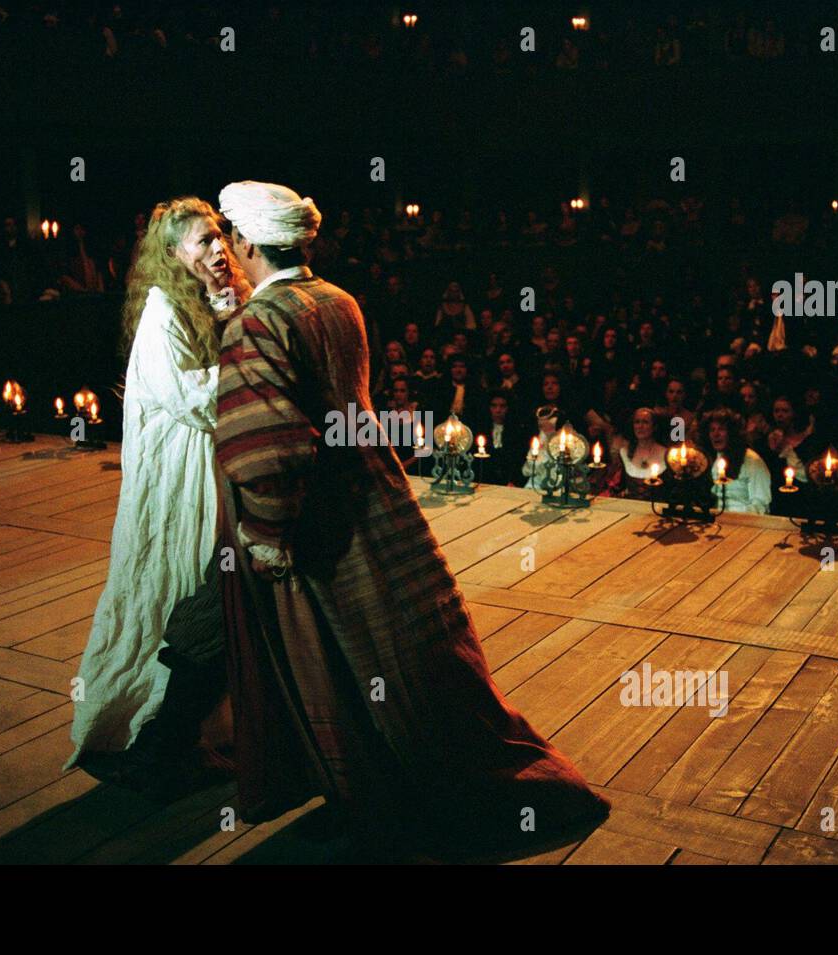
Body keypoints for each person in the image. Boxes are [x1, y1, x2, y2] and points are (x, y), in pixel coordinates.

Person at [214, 180, 609, 860]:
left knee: (338, 659)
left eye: (231, 238)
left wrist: (266, 532)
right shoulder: (338, 300)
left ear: (247, 242)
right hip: (379, 491)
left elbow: (271, 445)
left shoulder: (258, 321)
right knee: (408, 644)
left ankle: (379, 796)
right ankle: (417, 777)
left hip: (320, 517)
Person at [65, 198, 246, 794]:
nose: (219, 248)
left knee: (211, 595)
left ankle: (197, 736)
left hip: (211, 472)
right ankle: (141, 734)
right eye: (202, 242)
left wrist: (230, 319)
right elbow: (192, 397)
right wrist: (254, 357)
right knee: (172, 587)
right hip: (176, 478)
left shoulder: (207, 300)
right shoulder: (162, 311)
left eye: (219, 236)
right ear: (172, 256)